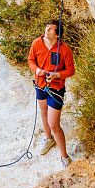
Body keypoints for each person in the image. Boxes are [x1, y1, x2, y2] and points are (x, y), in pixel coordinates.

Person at [28, 19, 75, 168]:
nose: (47, 31)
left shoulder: (64, 49)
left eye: (51, 29)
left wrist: (56, 75)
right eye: (46, 27)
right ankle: (49, 139)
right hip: (40, 85)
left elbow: (71, 70)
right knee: (43, 113)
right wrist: (37, 70)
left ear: (57, 35)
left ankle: (64, 156)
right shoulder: (37, 43)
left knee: (54, 124)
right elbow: (31, 60)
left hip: (55, 89)